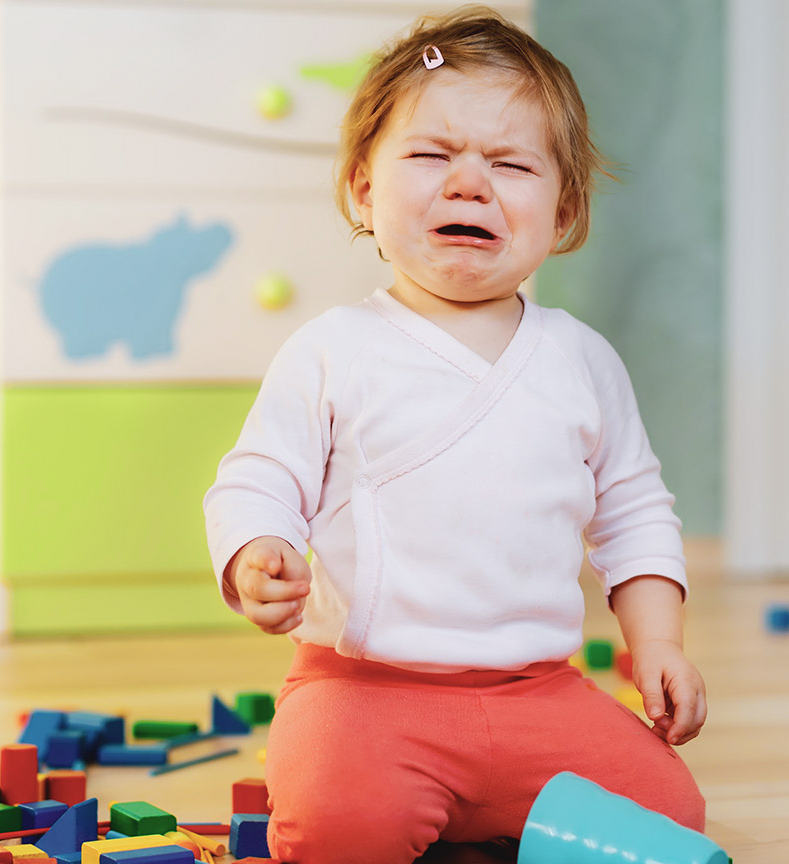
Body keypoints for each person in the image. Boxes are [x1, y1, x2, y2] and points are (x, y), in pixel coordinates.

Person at [203, 6, 706, 862]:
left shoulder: (581, 362)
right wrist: (257, 551)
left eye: (510, 164)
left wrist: (656, 643)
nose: (468, 183)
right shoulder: (332, 349)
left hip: (541, 694)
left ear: (564, 212)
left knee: (669, 820)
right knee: (337, 826)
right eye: (432, 155)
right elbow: (256, 479)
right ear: (364, 186)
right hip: (364, 692)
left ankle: (480, 815)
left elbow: (634, 513)